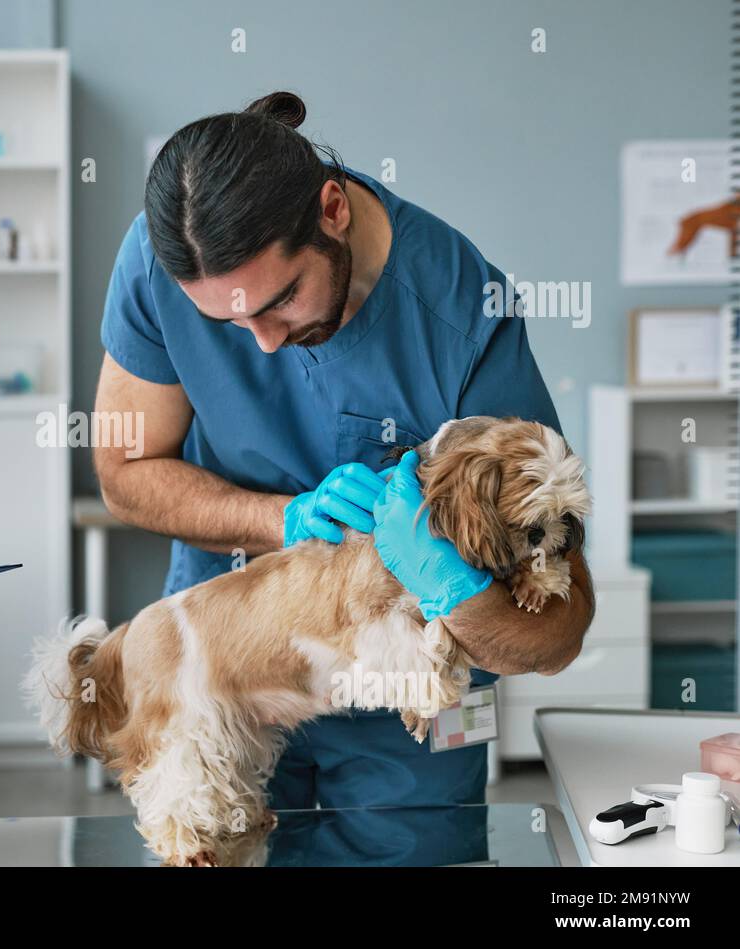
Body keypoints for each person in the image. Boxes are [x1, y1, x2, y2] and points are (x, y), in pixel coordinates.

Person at [94, 90, 594, 811]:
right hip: (232, 663)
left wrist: (455, 588)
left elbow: (561, 627)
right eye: (227, 323)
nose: (262, 342)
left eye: (282, 299)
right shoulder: (159, 261)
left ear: (334, 210)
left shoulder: (464, 313)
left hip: (411, 705)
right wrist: (284, 519)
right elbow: (125, 476)